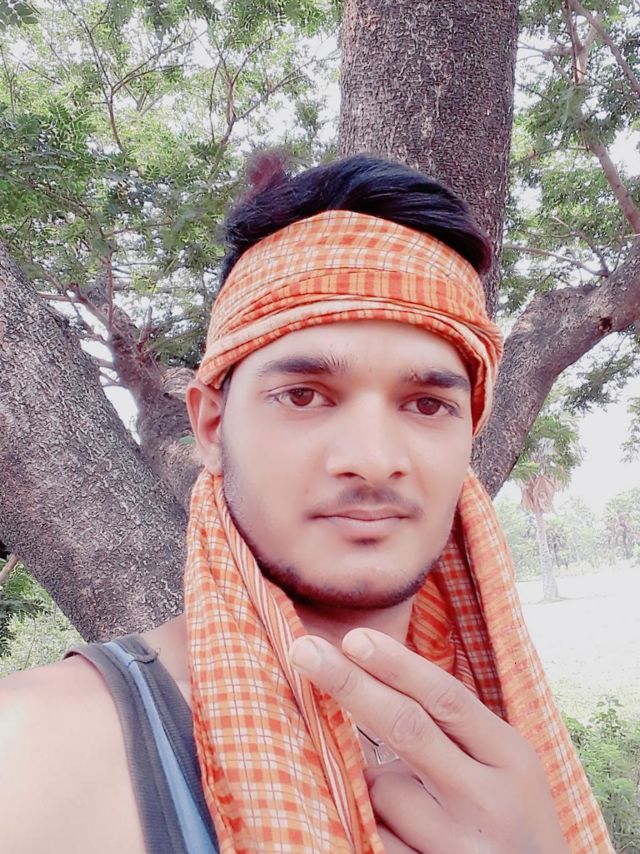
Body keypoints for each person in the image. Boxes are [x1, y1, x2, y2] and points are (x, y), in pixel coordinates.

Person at [0, 153, 612, 854]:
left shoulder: (499, 741)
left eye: (427, 404)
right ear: (211, 427)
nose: (374, 458)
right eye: (303, 395)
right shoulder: (36, 754)